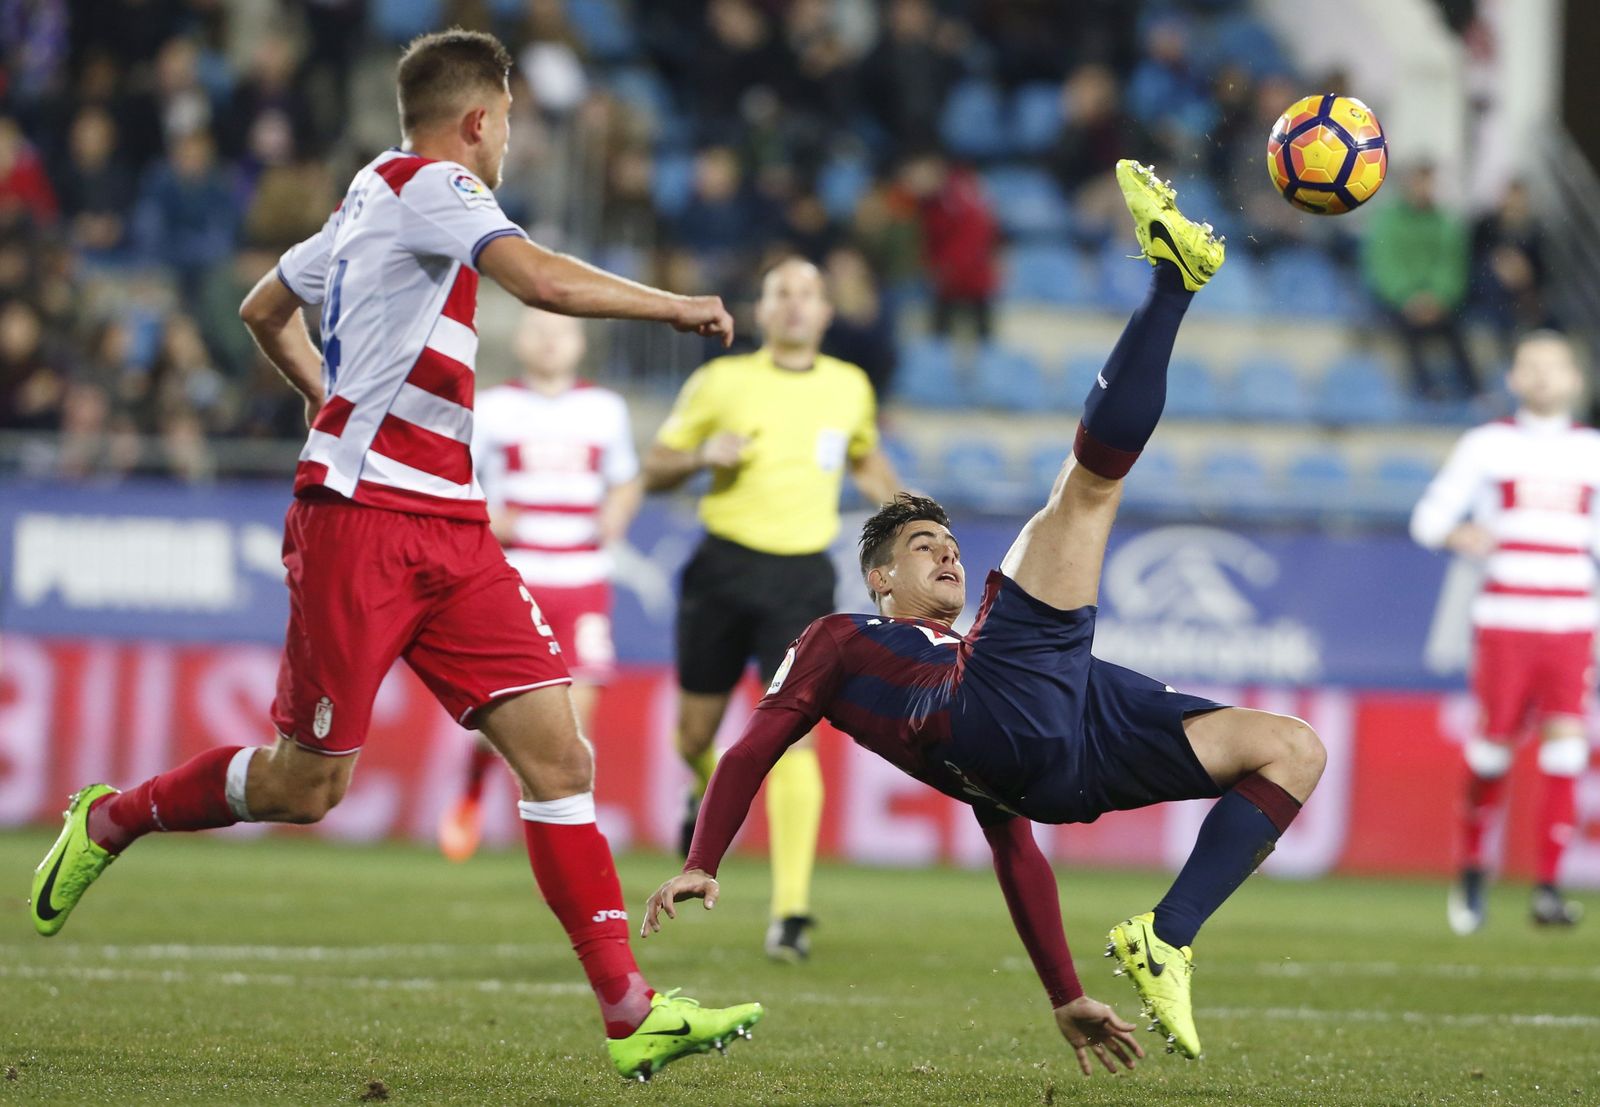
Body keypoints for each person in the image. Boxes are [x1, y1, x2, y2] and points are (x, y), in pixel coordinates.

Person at [29, 29, 760, 1083]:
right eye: (506, 120)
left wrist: (328, 403)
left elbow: (263, 308)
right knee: (304, 786)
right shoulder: (433, 186)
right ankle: (113, 815)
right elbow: (540, 283)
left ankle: (630, 1010)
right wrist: (674, 304)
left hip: (451, 527)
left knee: (559, 757)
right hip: (361, 525)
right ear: (477, 121)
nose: (508, 140)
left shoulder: (369, 192)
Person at [643, 162, 1327, 1071]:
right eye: (924, 544)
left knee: (1293, 748)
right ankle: (1172, 282)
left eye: (951, 540)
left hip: (1059, 764)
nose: (948, 552)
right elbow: (752, 743)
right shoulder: (839, 638)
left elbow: (1017, 852)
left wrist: (1064, 991)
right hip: (1000, 708)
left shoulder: (966, 655)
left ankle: (1167, 936)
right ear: (879, 578)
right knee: (1081, 496)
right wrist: (705, 854)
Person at [642, 256, 901, 962]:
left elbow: (866, 460)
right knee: (693, 734)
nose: (794, 304)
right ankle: (705, 790)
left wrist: (907, 518)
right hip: (722, 566)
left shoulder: (849, 387)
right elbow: (655, 464)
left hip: (800, 581)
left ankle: (790, 912)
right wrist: (700, 455)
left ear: (824, 313)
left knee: (796, 737)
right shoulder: (720, 380)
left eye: (808, 294)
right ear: (762, 310)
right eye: (782, 292)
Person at [438, 307, 643, 862]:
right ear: (519, 340)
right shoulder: (494, 407)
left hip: (583, 578)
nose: (551, 340)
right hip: (515, 577)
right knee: (504, 719)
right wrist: (485, 513)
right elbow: (456, 480)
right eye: (538, 329)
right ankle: (475, 786)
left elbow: (625, 481)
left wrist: (618, 512)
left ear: (580, 342)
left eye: (562, 330)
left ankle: (566, 846)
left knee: (573, 727)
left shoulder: (604, 410)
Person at [1410, 330, 1594, 932]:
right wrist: (1455, 533)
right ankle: (1470, 872)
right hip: (1505, 619)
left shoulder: (1592, 451)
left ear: (1574, 379)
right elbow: (1429, 516)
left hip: (1571, 621)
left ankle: (1547, 888)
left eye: (1554, 366)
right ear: (1514, 378)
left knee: (1567, 745)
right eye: (1530, 365)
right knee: (1493, 749)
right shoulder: (1487, 445)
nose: (1542, 376)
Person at [1359, 163, 1476, 399]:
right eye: (1419, 182)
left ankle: (1473, 391)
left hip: (1437, 302)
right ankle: (1426, 390)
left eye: (1428, 183)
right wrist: (1408, 297)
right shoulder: (1387, 221)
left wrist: (1438, 297)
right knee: (1409, 332)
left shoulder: (1445, 222)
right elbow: (1383, 266)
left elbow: (1451, 265)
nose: (1423, 189)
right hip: (1400, 302)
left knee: (1457, 331)